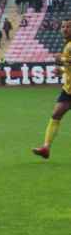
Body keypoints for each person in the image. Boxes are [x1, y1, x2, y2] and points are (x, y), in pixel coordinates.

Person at [33, 20, 71, 159]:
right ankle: (46, 148)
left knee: (56, 115)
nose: (65, 29)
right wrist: (61, 70)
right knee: (56, 115)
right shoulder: (67, 45)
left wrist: (61, 59)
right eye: (63, 26)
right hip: (68, 90)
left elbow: (67, 61)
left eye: (68, 26)